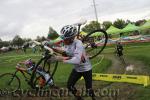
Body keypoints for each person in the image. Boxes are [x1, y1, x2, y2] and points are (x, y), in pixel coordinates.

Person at [52, 25, 96, 100]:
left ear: (71, 38)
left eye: (65, 39)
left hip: (86, 69)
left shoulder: (78, 43)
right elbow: (63, 50)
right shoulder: (67, 43)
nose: (63, 40)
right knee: (70, 86)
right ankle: (79, 98)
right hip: (77, 69)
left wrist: (60, 59)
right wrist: (51, 47)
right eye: (63, 38)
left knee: (89, 90)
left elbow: (77, 60)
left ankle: (93, 98)